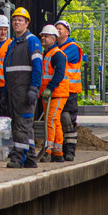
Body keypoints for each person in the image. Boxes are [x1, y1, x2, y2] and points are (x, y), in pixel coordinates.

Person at [4, 7, 44, 168]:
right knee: (22, 124)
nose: (17, 23)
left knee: (21, 124)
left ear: (27, 23)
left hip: (25, 90)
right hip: (14, 91)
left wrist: (34, 88)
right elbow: (8, 69)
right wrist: (5, 90)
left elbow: (38, 67)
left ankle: (18, 158)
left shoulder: (32, 41)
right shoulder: (13, 43)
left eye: (20, 20)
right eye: (14, 20)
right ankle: (30, 158)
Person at [39, 24, 70, 162]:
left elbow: (59, 74)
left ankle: (48, 149)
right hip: (50, 93)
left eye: (46, 36)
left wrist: (49, 88)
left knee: (50, 120)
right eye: (42, 36)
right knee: (54, 121)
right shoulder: (46, 54)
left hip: (57, 93)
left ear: (53, 39)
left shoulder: (57, 54)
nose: (43, 38)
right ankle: (58, 152)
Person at [55, 20, 83, 161]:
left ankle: (70, 151)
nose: (58, 30)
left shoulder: (72, 47)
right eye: (56, 28)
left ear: (67, 32)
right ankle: (59, 150)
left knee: (68, 121)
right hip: (58, 90)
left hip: (70, 91)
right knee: (57, 121)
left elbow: (58, 59)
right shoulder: (55, 48)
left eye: (60, 28)